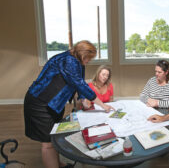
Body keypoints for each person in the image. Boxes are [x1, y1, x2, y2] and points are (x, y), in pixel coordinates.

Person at [23, 40, 114, 168]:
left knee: (53, 136)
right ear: (83, 55)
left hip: (54, 103)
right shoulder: (68, 60)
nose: (89, 61)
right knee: (48, 143)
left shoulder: (78, 62)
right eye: (89, 58)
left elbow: (79, 81)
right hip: (40, 102)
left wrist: (83, 99)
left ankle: (57, 163)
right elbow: (80, 84)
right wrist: (103, 106)